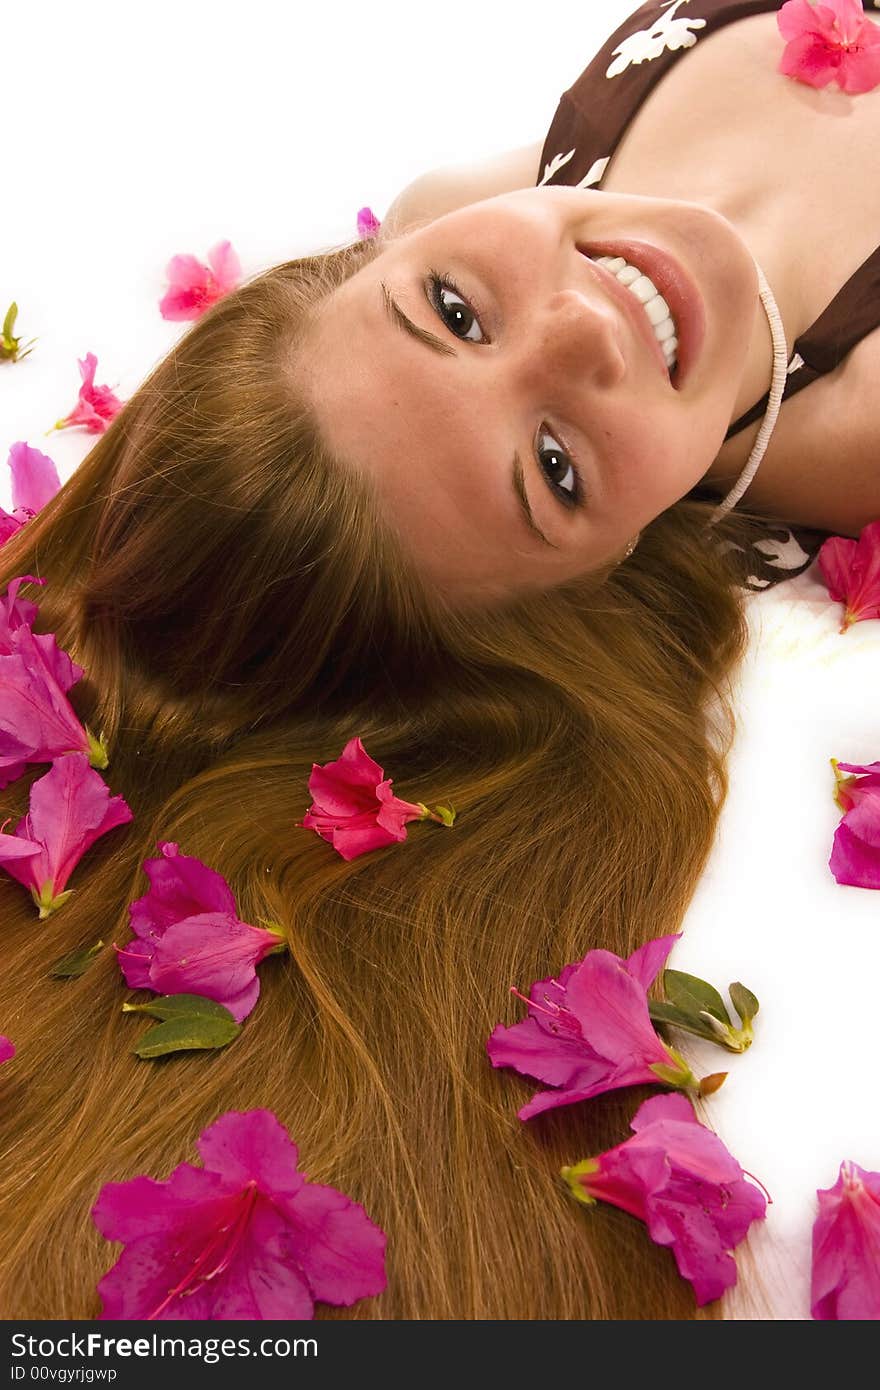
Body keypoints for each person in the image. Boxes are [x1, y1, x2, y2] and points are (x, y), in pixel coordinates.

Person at [0, 0, 876, 1319]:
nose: (579, 327)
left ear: (373, 258)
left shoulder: (452, 193)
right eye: (557, 468)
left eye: (455, 312)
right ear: (603, 569)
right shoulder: (859, 423)